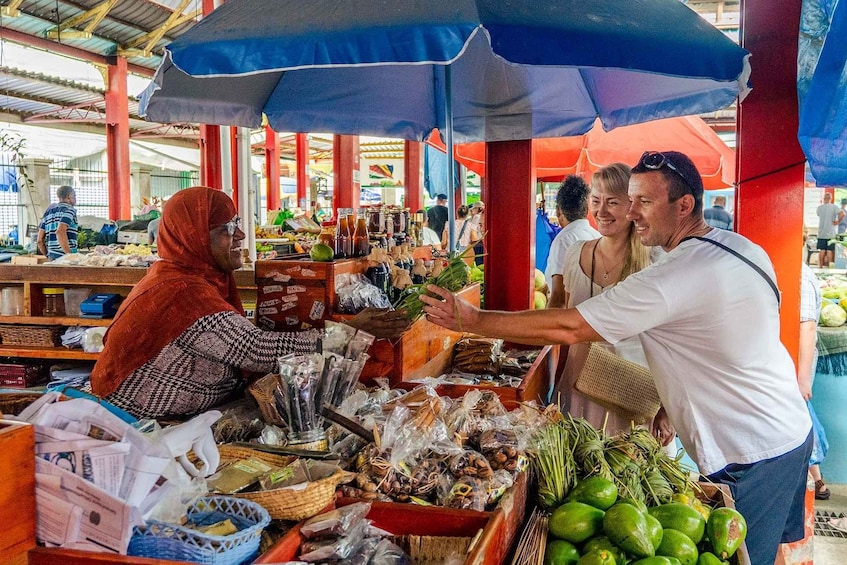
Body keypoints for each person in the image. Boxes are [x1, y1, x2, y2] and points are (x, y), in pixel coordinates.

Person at [422, 151, 812, 565]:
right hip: (785, 430)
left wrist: (474, 319)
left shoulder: (674, 275)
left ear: (684, 205)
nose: (632, 211)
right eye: (631, 199)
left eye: (644, 201)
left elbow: (570, 326)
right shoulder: (740, 247)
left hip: (752, 453)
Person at [90, 187, 409, 419]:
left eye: (237, 222)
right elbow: (256, 350)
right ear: (194, 236)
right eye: (226, 228)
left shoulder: (195, 278)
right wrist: (350, 331)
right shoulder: (181, 292)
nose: (241, 234)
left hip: (192, 408)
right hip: (144, 419)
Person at [555, 163, 651, 433]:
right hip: (577, 389)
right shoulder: (575, 254)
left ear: (632, 207)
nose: (601, 211)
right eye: (596, 201)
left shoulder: (654, 261)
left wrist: (667, 410)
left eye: (613, 202)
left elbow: (670, 342)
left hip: (629, 395)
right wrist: (557, 384)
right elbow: (566, 327)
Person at [798, 262, 830, 500]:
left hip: (798, 370)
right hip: (794, 369)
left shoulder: (802, 278)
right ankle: (818, 482)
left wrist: (802, 379)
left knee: (801, 425)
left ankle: (815, 484)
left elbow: (807, 328)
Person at [545, 175, 600, 309]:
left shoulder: (563, 241)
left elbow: (559, 299)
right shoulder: (597, 236)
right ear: (587, 210)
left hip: (573, 319)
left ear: (558, 211)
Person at [37, 185, 78, 259]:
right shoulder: (69, 210)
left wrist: (48, 255)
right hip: (65, 258)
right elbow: (60, 231)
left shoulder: (48, 212)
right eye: (74, 195)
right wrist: (70, 255)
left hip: (51, 255)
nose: (76, 198)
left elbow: (39, 240)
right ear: (69, 196)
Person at [816, 192, 840, 268]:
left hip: (821, 233)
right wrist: (837, 221)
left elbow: (819, 215)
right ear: (831, 198)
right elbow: (842, 213)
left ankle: (820, 267)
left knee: (822, 250)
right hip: (831, 233)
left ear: (824, 199)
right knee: (830, 251)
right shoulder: (834, 207)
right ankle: (830, 267)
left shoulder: (819, 208)